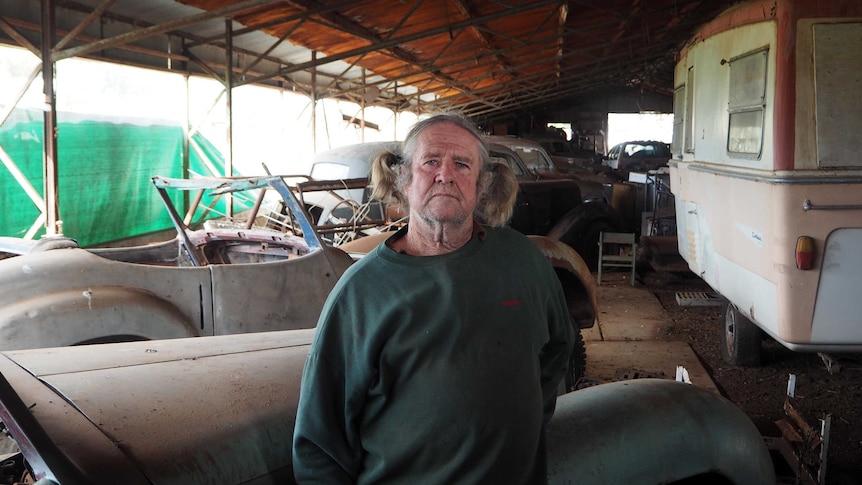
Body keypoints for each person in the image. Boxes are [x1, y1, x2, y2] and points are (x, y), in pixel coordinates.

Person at [292, 112, 574, 484]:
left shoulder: (525, 263)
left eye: (461, 164)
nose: (445, 175)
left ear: (483, 184)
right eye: (430, 162)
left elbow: (556, 352)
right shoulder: (362, 293)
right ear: (404, 178)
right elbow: (319, 444)